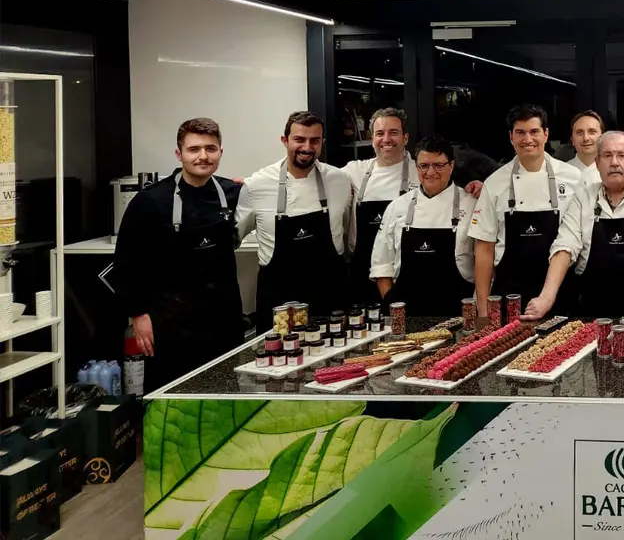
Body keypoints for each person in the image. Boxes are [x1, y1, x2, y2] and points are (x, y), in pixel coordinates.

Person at [114, 118, 243, 391]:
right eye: (194, 149)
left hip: (224, 320)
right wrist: (138, 315)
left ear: (221, 151)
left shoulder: (232, 193)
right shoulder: (150, 201)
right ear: (179, 154)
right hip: (171, 323)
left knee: (224, 395)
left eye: (211, 148)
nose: (203, 156)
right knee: (171, 399)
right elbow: (126, 264)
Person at [523, 131, 624, 321]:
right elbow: (565, 246)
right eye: (607, 155)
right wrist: (546, 297)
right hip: (591, 310)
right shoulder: (583, 197)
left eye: (621, 155)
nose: (614, 162)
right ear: (597, 163)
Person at [237, 111, 354, 333]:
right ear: (285, 140)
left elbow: (347, 232)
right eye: (299, 139)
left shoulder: (339, 181)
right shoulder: (256, 185)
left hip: (329, 296)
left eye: (314, 141)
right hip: (279, 302)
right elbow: (235, 236)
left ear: (322, 143)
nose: (307, 147)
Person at [470, 104, 585, 321]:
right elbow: (484, 248)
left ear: (546, 134)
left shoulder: (573, 177)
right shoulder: (494, 183)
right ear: (511, 137)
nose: (527, 139)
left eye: (534, 132)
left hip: (561, 291)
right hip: (509, 293)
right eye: (520, 132)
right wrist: (484, 310)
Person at [370, 137, 476, 316]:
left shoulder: (472, 203)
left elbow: (485, 261)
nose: (431, 172)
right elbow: (382, 265)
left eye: (438, 165)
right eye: (424, 166)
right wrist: (393, 307)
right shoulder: (398, 206)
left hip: (457, 311)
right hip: (407, 313)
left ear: (451, 166)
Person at [341, 107, 419, 303]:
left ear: (405, 138)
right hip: (362, 269)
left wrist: (475, 186)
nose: (386, 139)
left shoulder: (421, 172)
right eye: (380, 133)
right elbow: (315, 175)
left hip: (404, 270)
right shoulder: (355, 171)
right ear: (371, 138)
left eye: (394, 133)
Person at [565, 110, 604, 185]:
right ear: (572, 140)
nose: (586, 138)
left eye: (592, 132)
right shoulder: (561, 173)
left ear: (602, 137)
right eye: (579, 133)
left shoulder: (611, 172)